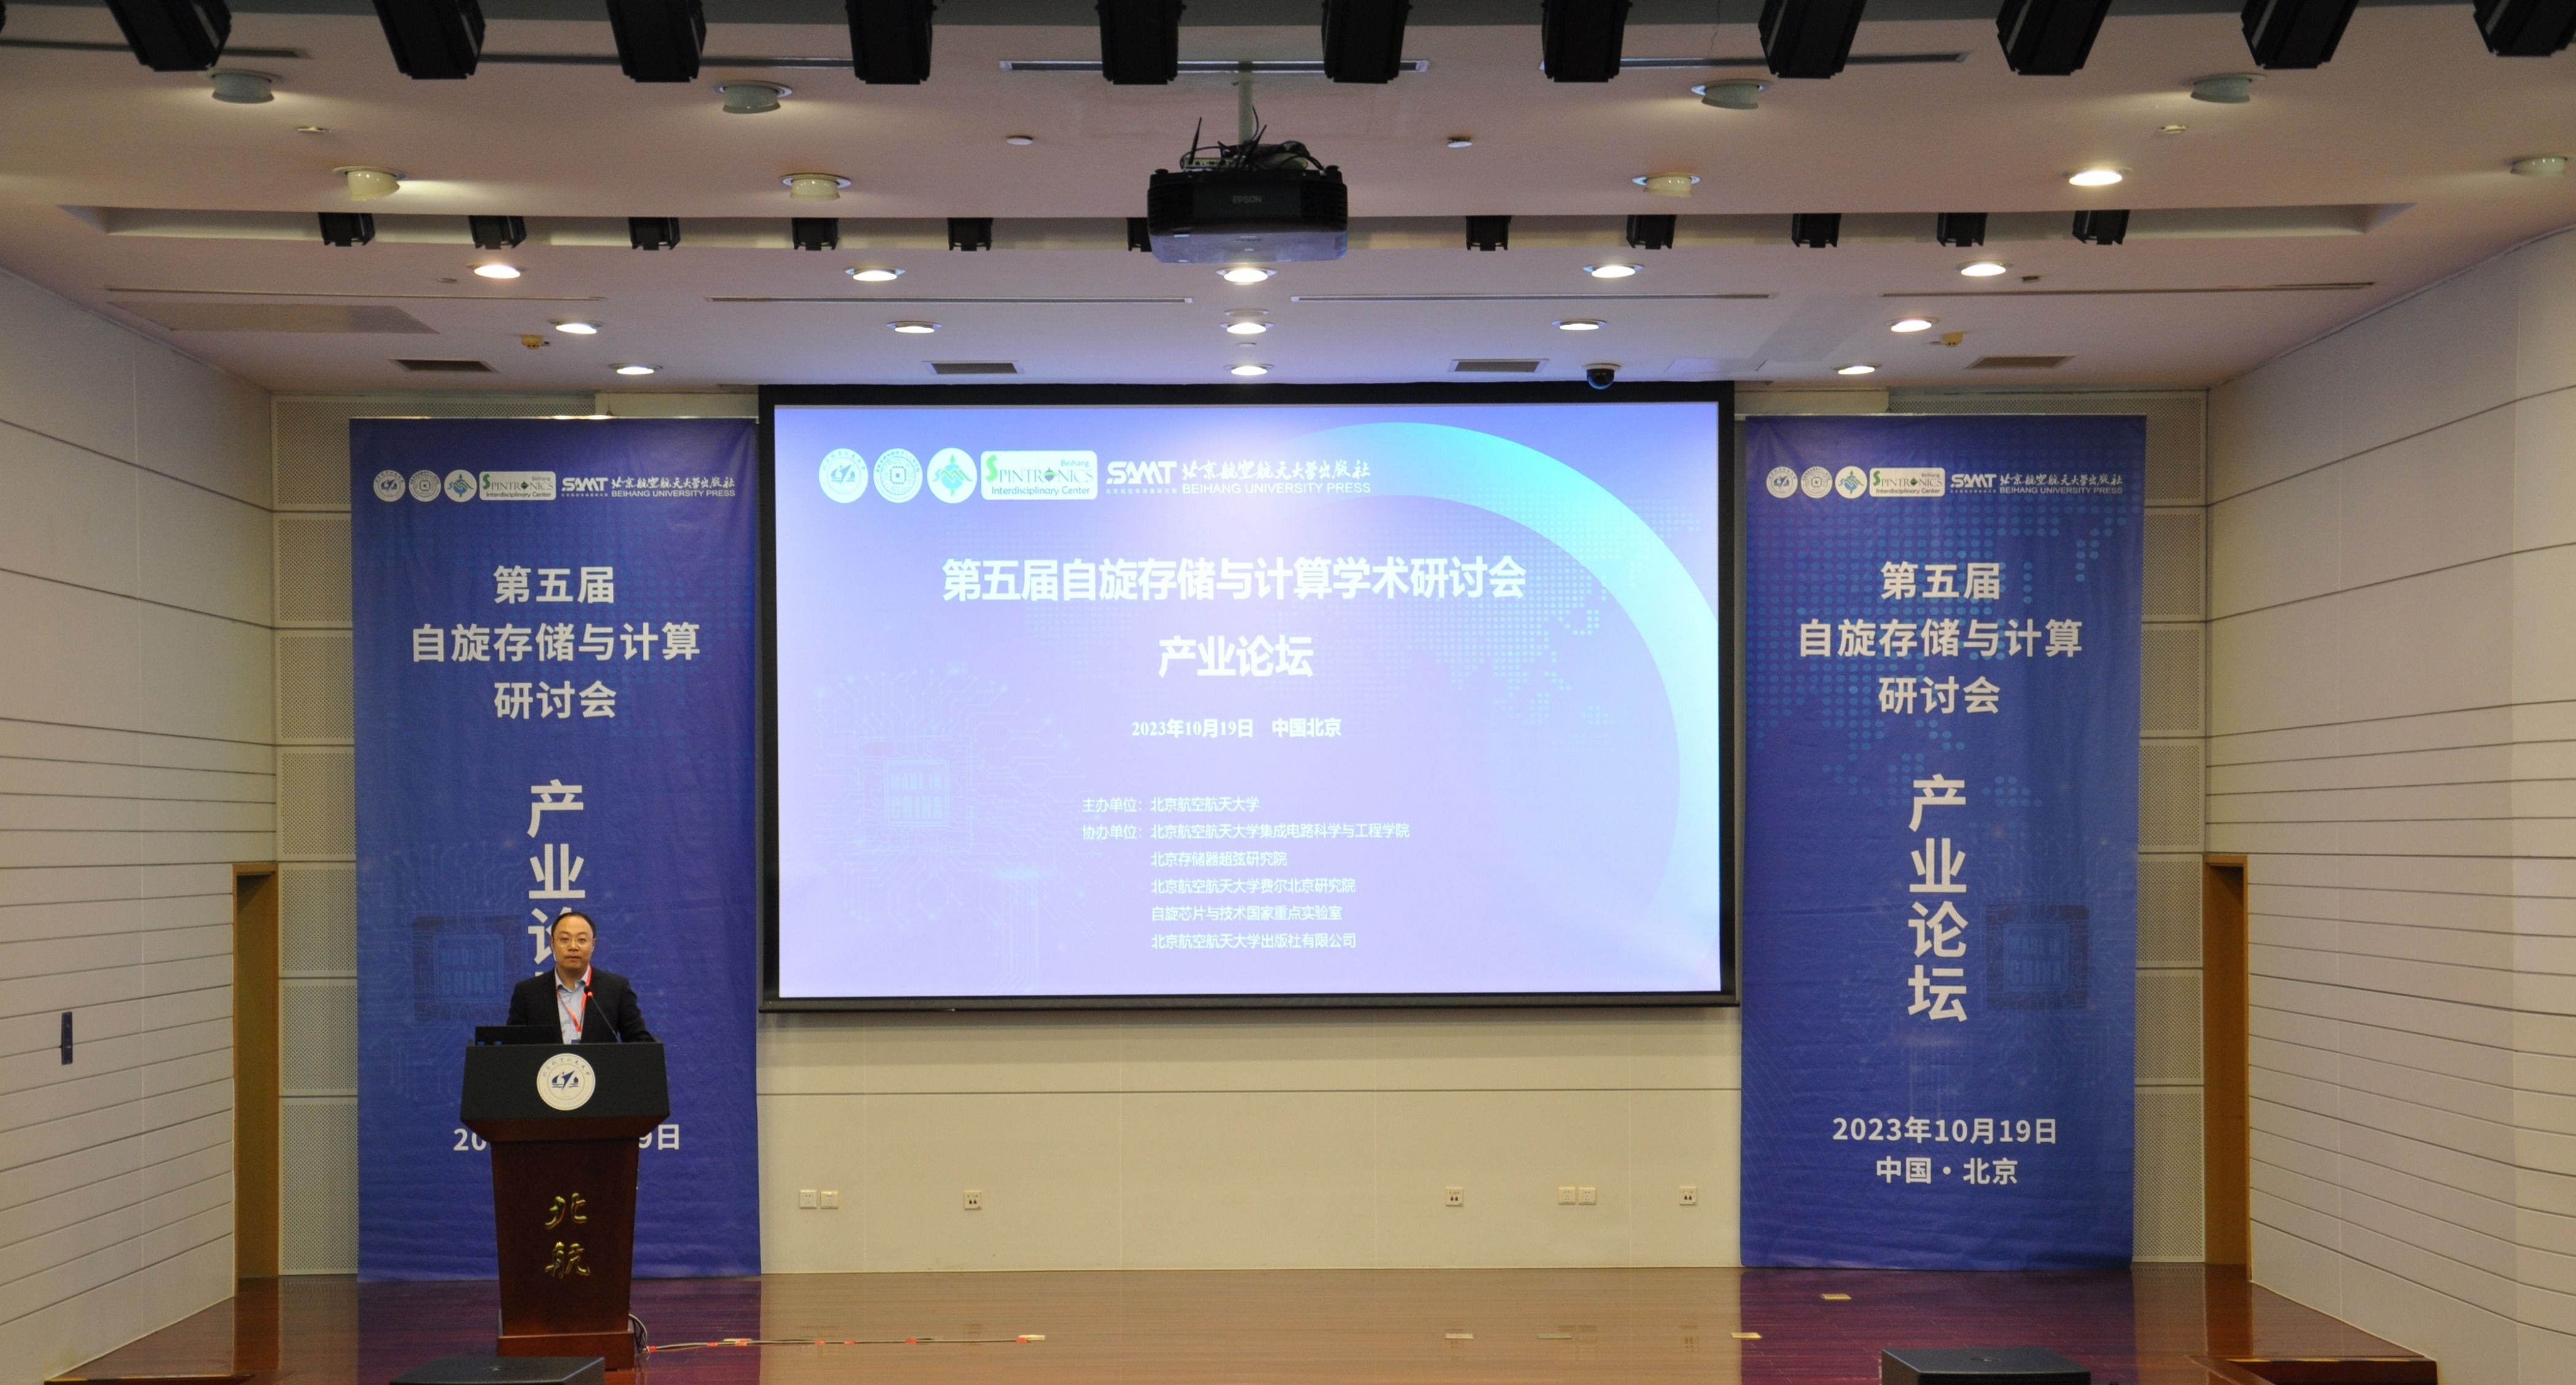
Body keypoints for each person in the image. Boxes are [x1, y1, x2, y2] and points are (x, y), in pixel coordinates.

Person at [507, 910, 654, 1044]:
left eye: (582, 940)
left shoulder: (616, 989)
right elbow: (512, 1048)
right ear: (552, 943)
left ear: (593, 945)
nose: (573, 947)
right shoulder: (528, 993)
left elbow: (641, 1042)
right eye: (565, 939)